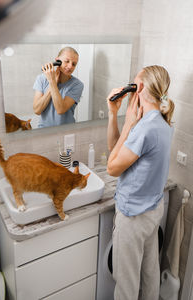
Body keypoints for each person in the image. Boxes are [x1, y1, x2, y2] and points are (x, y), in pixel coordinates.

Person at [106, 65, 175, 300]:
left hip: (133, 216)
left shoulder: (144, 128)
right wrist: (115, 115)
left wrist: (127, 124)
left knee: (126, 284)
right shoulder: (163, 122)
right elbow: (116, 150)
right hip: (152, 210)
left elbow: (111, 167)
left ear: (140, 87)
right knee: (149, 273)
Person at [33, 46, 84, 128]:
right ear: (57, 61)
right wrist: (52, 81)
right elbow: (37, 110)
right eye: (67, 61)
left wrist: (52, 82)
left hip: (67, 131)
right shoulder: (41, 79)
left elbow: (60, 109)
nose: (70, 66)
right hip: (43, 130)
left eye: (74, 64)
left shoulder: (77, 85)